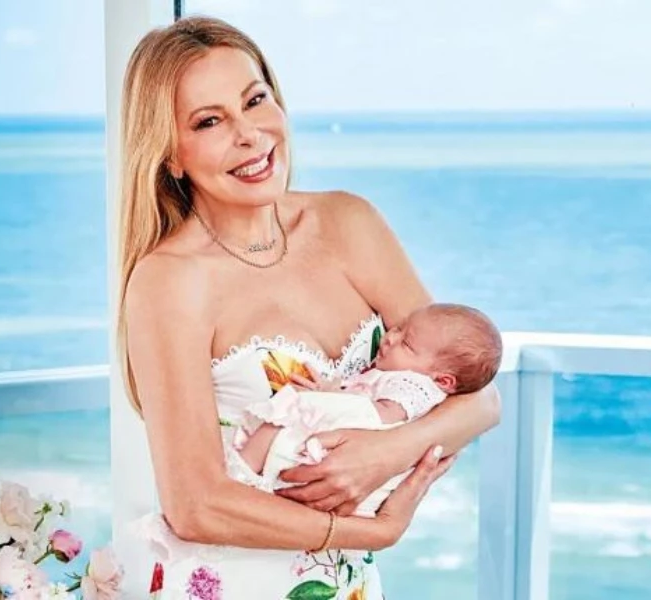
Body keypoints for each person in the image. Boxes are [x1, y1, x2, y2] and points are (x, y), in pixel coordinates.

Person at [117, 15, 501, 599]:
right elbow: (195, 505)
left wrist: (385, 454)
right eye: (210, 121)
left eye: (255, 100)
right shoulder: (169, 281)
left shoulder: (348, 222)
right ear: (170, 154)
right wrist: (369, 532)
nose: (250, 135)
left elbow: (479, 398)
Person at [235, 303, 503, 517]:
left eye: (406, 344)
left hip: (352, 454)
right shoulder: (400, 374)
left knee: (285, 414)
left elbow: (379, 417)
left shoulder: (415, 386)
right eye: (398, 328)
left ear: (443, 380)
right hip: (345, 454)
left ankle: (240, 475)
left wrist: (329, 399)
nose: (389, 338)